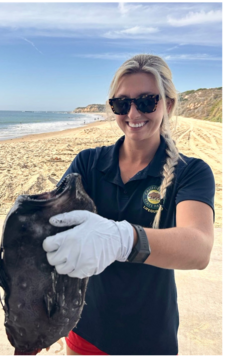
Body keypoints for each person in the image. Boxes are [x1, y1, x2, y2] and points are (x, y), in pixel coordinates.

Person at [41, 54, 214, 355]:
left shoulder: (191, 172)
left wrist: (124, 239)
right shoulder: (88, 163)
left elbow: (199, 248)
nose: (133, 112)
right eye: (122, 104)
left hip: (149, 339)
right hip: (85, 331)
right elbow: (49, 228)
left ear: (168, 104)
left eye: (147, 101)